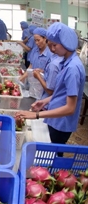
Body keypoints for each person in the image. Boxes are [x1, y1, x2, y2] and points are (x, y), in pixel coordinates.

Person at [16, 22, 85, 153]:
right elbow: (63, 93)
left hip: (62, 122)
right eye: (50, 45)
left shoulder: (72, 69)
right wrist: (45, 101)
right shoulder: (66, 62)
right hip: (56, 117)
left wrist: (36, 115)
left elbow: (70, 108)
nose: (52, 50)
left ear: (66, 43)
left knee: (55, 153)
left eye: (54, 45)